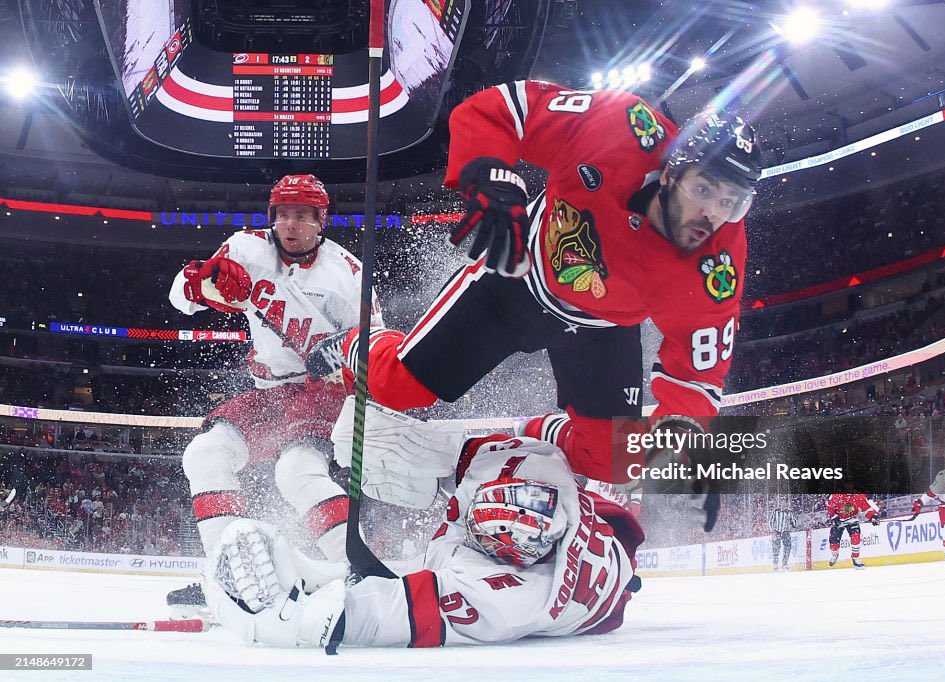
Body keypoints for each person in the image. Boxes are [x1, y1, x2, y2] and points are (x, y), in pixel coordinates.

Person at [306, 80, 762, 489]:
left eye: (732, 202)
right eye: (703, 191)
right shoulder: (619, 125)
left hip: (602, 329)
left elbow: (697, 373)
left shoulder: (718, 267)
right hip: (516, 280)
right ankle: (355, 345)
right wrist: (491, 176)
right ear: (670, 172)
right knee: (396, 388)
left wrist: (681, 429)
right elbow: (500, 109)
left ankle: (533, 436)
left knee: (617, 461)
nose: (714, 216)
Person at [202, 401, 644, 649]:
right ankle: (331, 570)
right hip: (597, 543)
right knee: (360, 432)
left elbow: (373, 618)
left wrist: (288, 621)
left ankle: (330, 572)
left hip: (577, 590)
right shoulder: (528, 467)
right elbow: (540, 433)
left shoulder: (510, 599)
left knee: (402, 577)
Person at [165, 174, 381, 615]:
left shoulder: (347, 274)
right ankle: (228, 575)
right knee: (205, 455)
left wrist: (342, 349)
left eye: (303, 215)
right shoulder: (244, 249)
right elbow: (182, 298)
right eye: (283, 214)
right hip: (269, 391)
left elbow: (380, 345)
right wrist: (203, 283)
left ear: (321, 220)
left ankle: (361, 573)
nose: (291, 224)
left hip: (325, 393)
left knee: (295, 471)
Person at [825, 493, 880, 569]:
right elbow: (829, 506)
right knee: (834, 544)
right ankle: (835, 555)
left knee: (856, 538)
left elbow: (867, 509)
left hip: (852, 519)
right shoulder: (836, 496)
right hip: (838, 521)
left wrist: (873, 517)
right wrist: (834, 517)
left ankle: (855, 558)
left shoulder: (859, 496)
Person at [768, 501, 795, 572]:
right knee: (776, 548)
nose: (783, 505)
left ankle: (784, 563)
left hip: (785, 532)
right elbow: (770, 521)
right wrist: (772, 531)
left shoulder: (789, 512)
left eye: (785, 504)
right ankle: (775, 564)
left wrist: (791, 519)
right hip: (776, 531)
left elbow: (794, 523)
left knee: (788, 547)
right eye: (782, 504)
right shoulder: (776, 511)